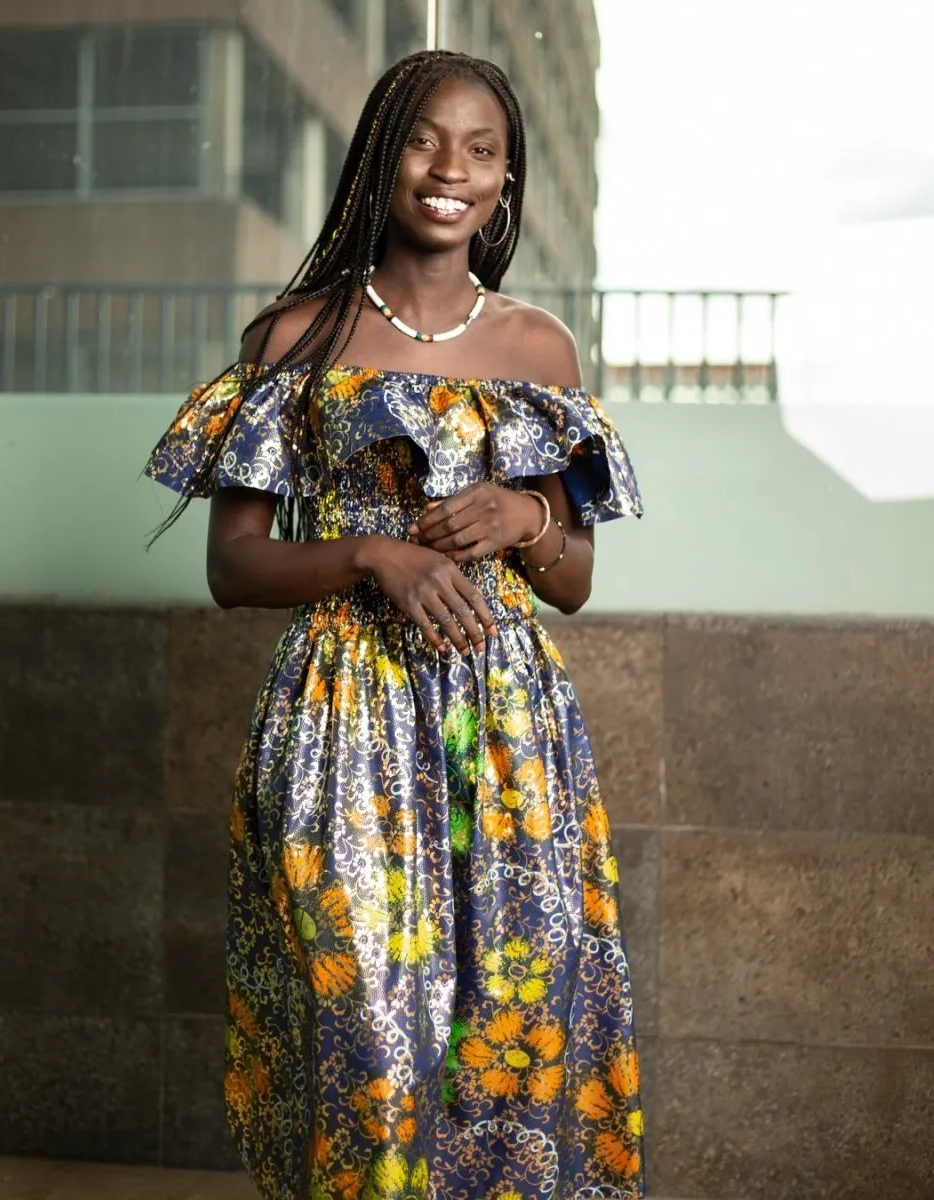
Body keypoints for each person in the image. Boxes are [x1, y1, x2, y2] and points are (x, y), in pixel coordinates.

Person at [146, 48, 645, 1200]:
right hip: (342, 723)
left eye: (480, 149)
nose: (449, 170)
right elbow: (234, 569)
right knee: (363, 1021)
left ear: (508, 179)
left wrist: (528, 514)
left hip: (505, 733)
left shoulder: (538, 353)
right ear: (382, 153)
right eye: (425, 139)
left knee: (510, 1033)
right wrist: (375, 553)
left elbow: (571, 580)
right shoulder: (295, 339)